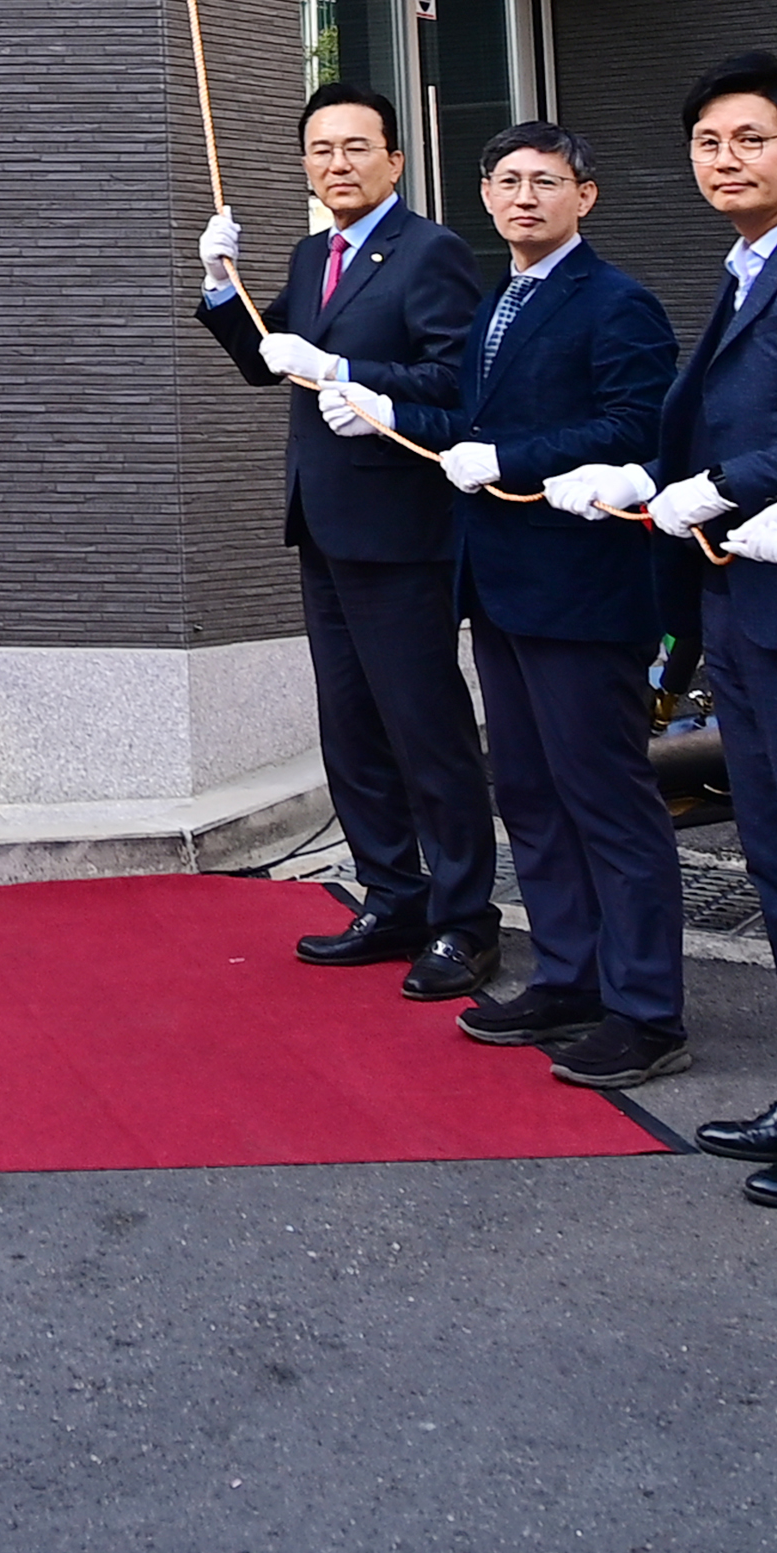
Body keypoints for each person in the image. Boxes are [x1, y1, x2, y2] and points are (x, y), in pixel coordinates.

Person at [546, 53, 777, 1211]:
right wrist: (642, 479)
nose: (726, 161)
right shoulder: (751, 270)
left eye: (751, 139)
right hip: (744, 609)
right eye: (710, 143)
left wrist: (731, 485)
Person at [326, 123, 688, 1089]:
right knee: (527, 791)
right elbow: (470, 427)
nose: (525, 197)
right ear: (483, 195)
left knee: (606, 797)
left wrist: (516, 460)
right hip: (500, 584)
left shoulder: (617, 302)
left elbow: (634, 426)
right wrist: (378, 401)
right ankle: (568, 975)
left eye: (547, 181)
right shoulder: (500, 298)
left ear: (586, 196)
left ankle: (647, 1008)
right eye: (507, 181)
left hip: (583, 587)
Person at [199, 86, 497, 999]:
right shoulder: (310, 250)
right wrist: (222, 287)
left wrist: (351, 374)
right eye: (322, 149)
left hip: (403, 528)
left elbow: (456, 382)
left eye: (358, 147)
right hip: (322, 522)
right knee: (350, 724)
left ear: (396, 161)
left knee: (424, 725)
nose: (339, 163)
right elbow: (267, 357)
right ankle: (391, 893)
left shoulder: (431, 252)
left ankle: (464, 919)